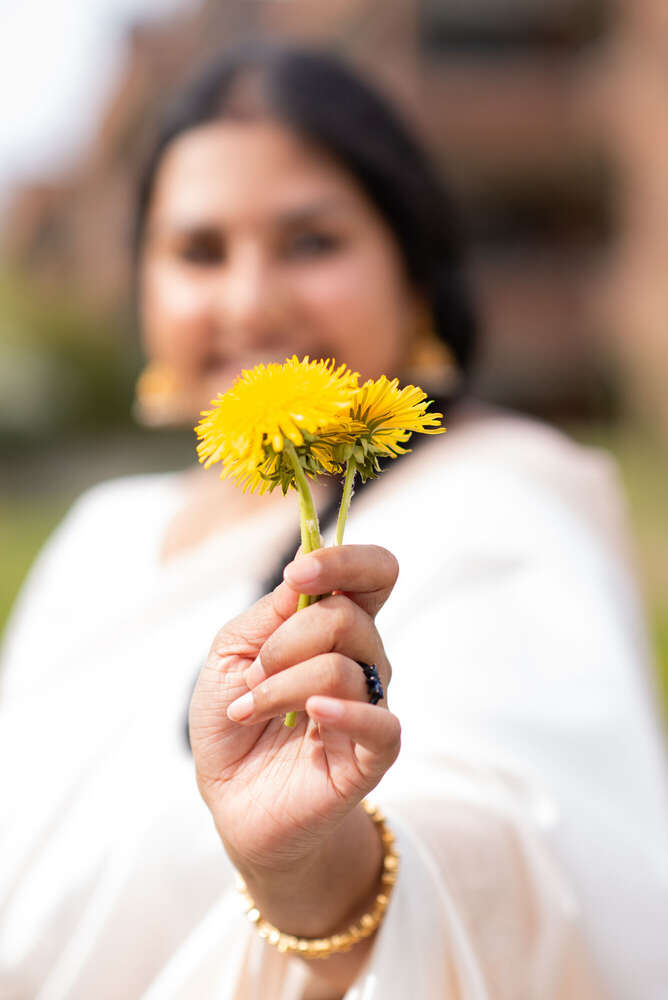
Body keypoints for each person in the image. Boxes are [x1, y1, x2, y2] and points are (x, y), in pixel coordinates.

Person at [1, 42, 667, 1000]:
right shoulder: (99, 533)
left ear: (417, 277)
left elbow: (544, 865)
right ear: (142, 291)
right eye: (198, 251)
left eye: (311, 243)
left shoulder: (500, 504)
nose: (250, 302)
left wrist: (311, 873)